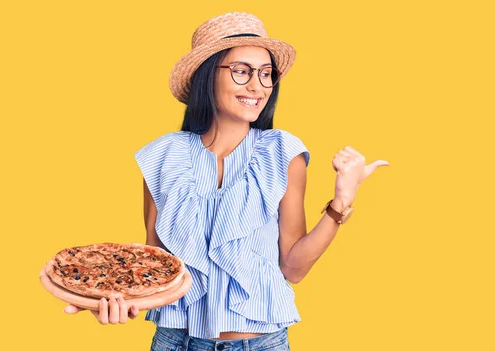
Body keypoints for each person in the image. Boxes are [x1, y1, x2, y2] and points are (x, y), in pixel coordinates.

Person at [64, 12, 388, 351]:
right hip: (176, 342)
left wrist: (341, 201)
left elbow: (293, 267)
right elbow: (159, 270)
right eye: (241, 71)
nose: (257, 86)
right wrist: (113, 299)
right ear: (207, 74)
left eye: (266, 74)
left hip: (262, 344)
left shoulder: (282, 152)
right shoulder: (162, 156)